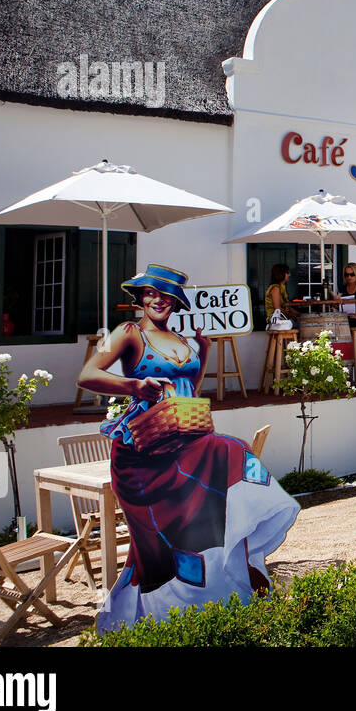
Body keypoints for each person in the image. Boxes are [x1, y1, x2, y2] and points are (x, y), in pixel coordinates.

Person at [76, 263, 299, 633]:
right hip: (145, 449)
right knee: (231, 450)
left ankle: (229, 576)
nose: (158, 300)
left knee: (208, 513)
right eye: (151, 293)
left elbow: (188, 390)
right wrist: (134, 386)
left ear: (175, 301)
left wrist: (205, 351)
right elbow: (87, 375)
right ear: (141, 297)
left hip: (184, 435)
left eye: (166, 295)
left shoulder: (182, 339)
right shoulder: (127, 332)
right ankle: (168, 607)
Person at [264, 263, 297, 330]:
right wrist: (291, 315)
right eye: (287, 273)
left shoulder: (282, 287)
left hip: (284, 318)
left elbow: (287, 306)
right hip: (277, 320)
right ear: (281, 274)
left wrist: (298, 314)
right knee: (299, 325)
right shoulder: (275, 288)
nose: (289, 275)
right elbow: (277, 308)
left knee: (301, 321)